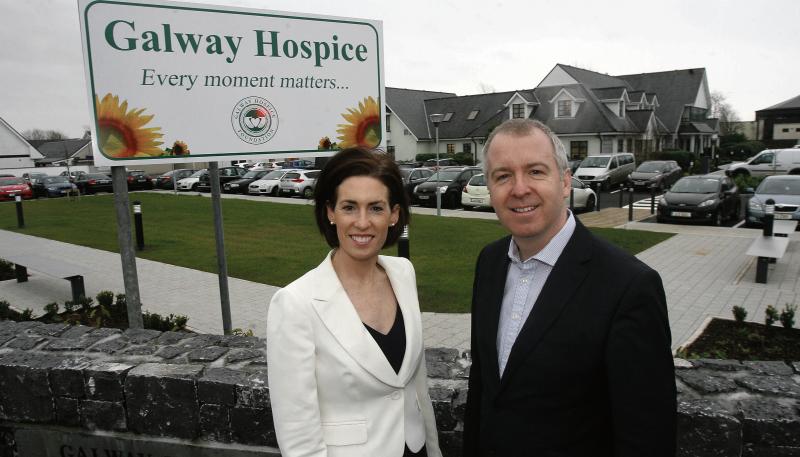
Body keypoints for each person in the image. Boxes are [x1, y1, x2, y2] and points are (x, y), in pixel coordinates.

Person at [463, 119, 676, 457]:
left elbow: (647, 434)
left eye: (535, 171)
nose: (519, 189)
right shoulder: (489, 263)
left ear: (564, 182)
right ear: (490, 188)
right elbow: (484, 386)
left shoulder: (629, 287)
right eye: (503, 176)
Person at [267, 147, 442, 457]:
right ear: (330, 212)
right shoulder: (295, 303)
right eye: (349, 207)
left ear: (394, 215)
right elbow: (298, 436)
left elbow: (416, 384)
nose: (363, 222)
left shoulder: (403, 273)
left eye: (376, 208)